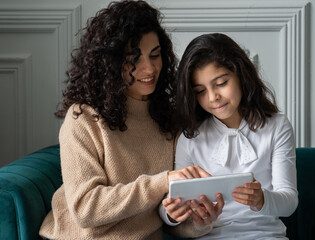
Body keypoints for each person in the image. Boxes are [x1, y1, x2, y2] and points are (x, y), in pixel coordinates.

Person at [39, 1, 211, 239]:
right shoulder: (84, 119)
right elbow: (85, 209)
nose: (149, 69)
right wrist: (163, 181)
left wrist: (198, 221)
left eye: (155, 55)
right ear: (110, 63)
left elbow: (169, 216)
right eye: (134, 59)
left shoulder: (169, 119)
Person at [161, 33, 298, 239]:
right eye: (200, 91)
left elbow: (289, 202)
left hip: (265, 235)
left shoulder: (277, 127)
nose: (213, 97)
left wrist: (261, 199)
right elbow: (175, 201)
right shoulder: (190, 139)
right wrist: (171, 215)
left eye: (221, 83)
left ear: (241, 75)